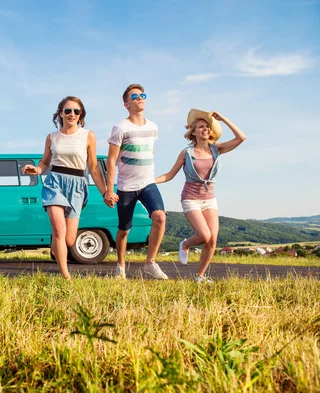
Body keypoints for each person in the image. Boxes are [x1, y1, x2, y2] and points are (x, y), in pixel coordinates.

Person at [22, 96, 113, 280]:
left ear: (81, 115)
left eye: (76, 111)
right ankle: (66, 275)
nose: (72, 114)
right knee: (59, 230)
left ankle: (56, 244)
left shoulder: (88, 136)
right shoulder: (52, 137)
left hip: (77, 184)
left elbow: (94, 168)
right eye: (68, 110)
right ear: (61, 114)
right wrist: (38, 169)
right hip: (54, 182)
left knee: (69, 239)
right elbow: (45, 162)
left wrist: (106, 192)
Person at [155, 109, 246, 283]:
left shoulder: (216, 149)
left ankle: (200, 276)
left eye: (207, 127)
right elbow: (170, 174)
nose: (205, 129)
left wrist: (223, 119)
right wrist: (151, 181)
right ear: (193, 132)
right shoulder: (187, 153)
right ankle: (186, 244)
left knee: (213, 240)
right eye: (201, 127)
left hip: (210, 199)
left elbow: (241, 138)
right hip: (191, 199)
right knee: (204, 235)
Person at [104, 84, 169, 280]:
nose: (140, 98)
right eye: (135, 96)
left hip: (148, 183)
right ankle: (121, 266)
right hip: (126, 186)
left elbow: (150, 150)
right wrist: (109, 189)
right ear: (126, 104)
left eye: (142, 95)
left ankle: (150, 263)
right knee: (124, 230)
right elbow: (111, 160)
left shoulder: (153, 127)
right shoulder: (120, 128)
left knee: (160, 217)